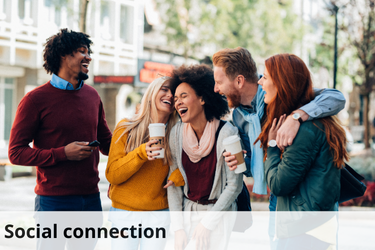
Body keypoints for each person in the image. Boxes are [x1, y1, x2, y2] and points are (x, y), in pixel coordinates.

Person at [212, 47, 346, 248]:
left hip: (304, 204)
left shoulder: (282, 96)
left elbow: (336, 98)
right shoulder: (239, 117)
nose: (216, 89)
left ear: (239, 81)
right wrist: (241, 161)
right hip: (281, 197)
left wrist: (297, 116)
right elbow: (260, 163)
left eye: (219, 82)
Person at [8, 29, 112, 249]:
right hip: (54, 202)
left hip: (91, 199)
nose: (89, 57)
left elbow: (108, 144)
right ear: (64, 55)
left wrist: (140, 138)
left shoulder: (92, 95)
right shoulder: (34, 100)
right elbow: (16, 152)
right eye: (82, 51)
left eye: (89, 52)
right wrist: (63, 153)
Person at [257, 53, 348, 249]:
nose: (260, 82)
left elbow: (278, 184)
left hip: (303, 232)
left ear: (281, 84)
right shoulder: (308, 122)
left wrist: (272, 147)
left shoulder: (304, 130)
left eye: (264, 77)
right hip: (312, 229)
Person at [167, 64, 243, 250]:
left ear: (202, 98)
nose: (178, 102)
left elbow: (235, 185)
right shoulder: (176, 134)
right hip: (188, 212)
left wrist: (207, 223)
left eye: (184, 96)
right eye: (176, 98)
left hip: (218, 215)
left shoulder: (228, 133)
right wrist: (178, 229)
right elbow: (174, 184)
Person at [105, 76, 184, 250]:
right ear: (152, 92)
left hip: (158, 215)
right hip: (125, 214)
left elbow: (187, 168)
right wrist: (141, 153)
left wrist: (177, 176)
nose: (170, 95)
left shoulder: (179, 134)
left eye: (174, 93)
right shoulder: (126, 128)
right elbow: (112, 174)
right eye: (164, 89)